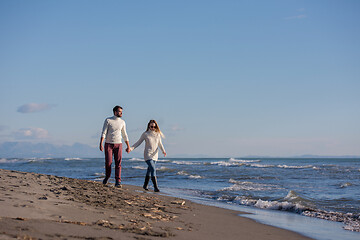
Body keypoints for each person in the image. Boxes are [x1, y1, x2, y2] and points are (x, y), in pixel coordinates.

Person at [130, 120, 166, 192]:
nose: (153, 128)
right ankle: (155, 187)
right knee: (153, 169)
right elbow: (138, 142)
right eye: (151, 126)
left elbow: (160, 144)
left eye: (154, 126)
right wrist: (131, 148)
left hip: (155, 155)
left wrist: (163, 151)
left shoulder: (157, 134)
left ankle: (145, 185)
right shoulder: (145, 134)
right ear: (149, 126)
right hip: (148, 154)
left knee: (149, 170)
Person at [99, 105, 131, 188]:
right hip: (108, 144)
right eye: (119, 111)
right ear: (115, 112)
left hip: (118, 144)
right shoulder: (108, 120)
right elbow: (104, 132)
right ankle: (107, 177)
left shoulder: (122, 122)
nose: (121, 113)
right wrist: (101, 144)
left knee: (118, 163)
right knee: (108, 163)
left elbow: (124, 134)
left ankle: (118, 181)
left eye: (121, 111)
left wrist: (128, 146)